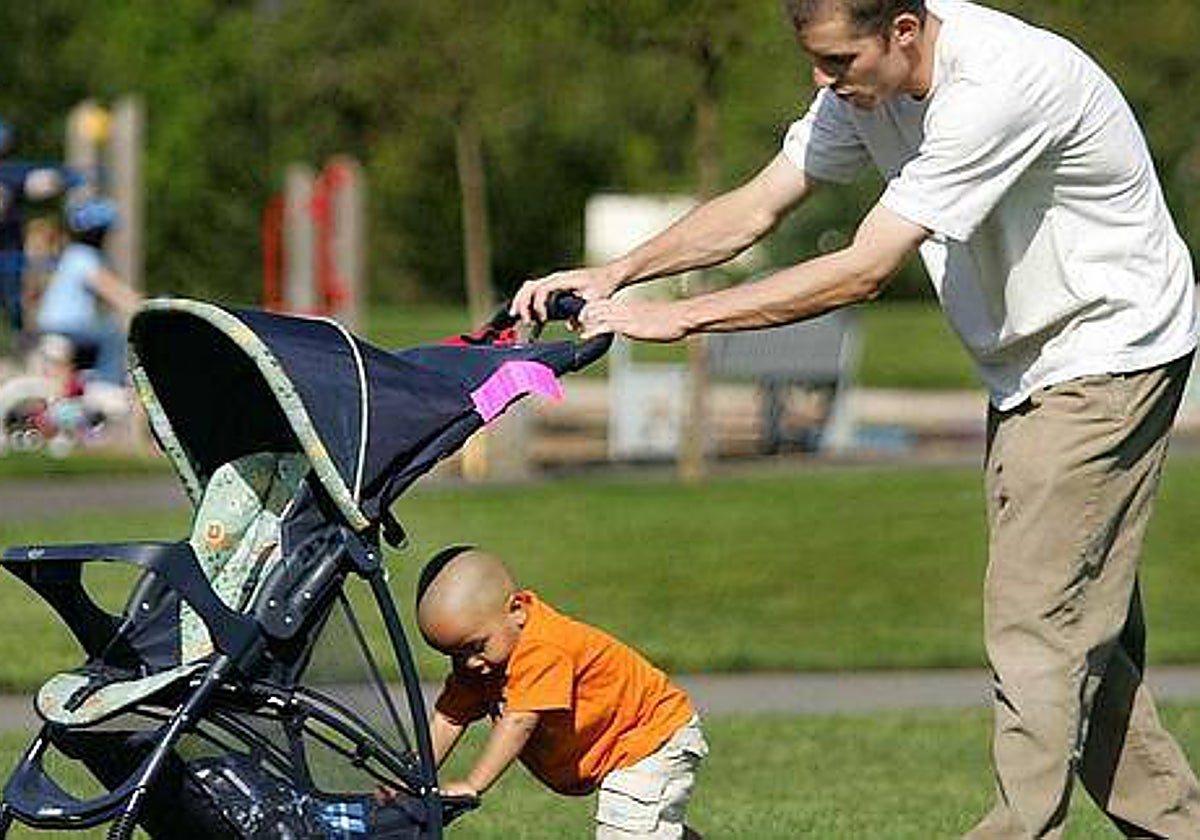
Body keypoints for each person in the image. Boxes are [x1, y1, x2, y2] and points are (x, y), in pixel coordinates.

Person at [512, 1, 1200, 837]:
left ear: (904, 31)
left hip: (1109, 352)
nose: (822, 82)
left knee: (1035, 623)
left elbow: (865, 268)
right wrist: (623, 272)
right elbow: (760, 205)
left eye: (838, 62)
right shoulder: (862, 89)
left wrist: (683, 318)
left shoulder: (997, 87)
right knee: (1081, 633)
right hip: (1030, 367)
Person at [415, 546, 707, 838]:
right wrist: (414, 777)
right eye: (454, 654)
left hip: (650, 737)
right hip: (621, 746)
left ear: (516, 610)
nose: (469, 663)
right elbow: (449, 718)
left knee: (625, 832)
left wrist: (473, 784)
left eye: (476, 647)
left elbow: (519, 721)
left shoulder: (542, 648)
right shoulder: (483, 662)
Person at [36, 198, 141, 387]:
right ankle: (106, 387)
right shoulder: (85, 256)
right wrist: (140, 303)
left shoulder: (72, 254)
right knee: (112, 333)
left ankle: (84, 386)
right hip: (68, 327)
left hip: (51, 325)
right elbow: (112, 291)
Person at [0, 118, 75, 349]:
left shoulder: (13, 174)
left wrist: (57, 179)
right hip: (11, 256)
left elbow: (50, 179)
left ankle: (21, 344)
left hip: (10, 255)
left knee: (16, 305)